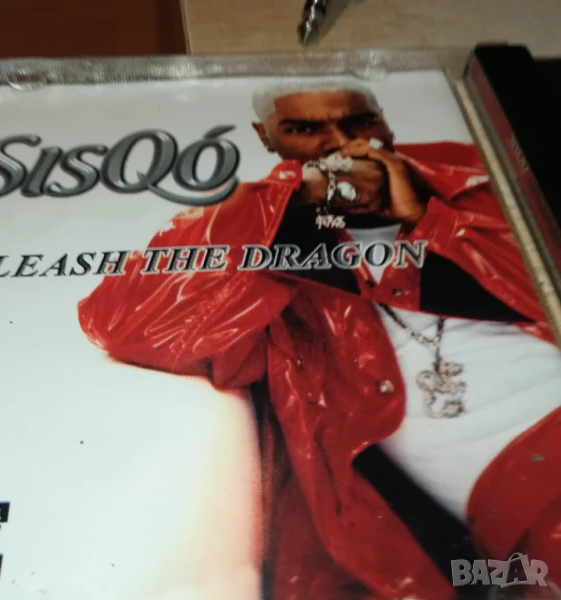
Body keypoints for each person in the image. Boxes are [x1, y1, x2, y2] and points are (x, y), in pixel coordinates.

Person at [77, 82, 561, 599]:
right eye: (304, 129)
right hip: (505, 524)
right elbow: (128, 325)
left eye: (358, 123)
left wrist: (429, 218)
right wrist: (294, 196)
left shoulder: (475, 175)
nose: (339, 143)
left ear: (384, 123)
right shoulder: (265, 225)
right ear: (266, 138)